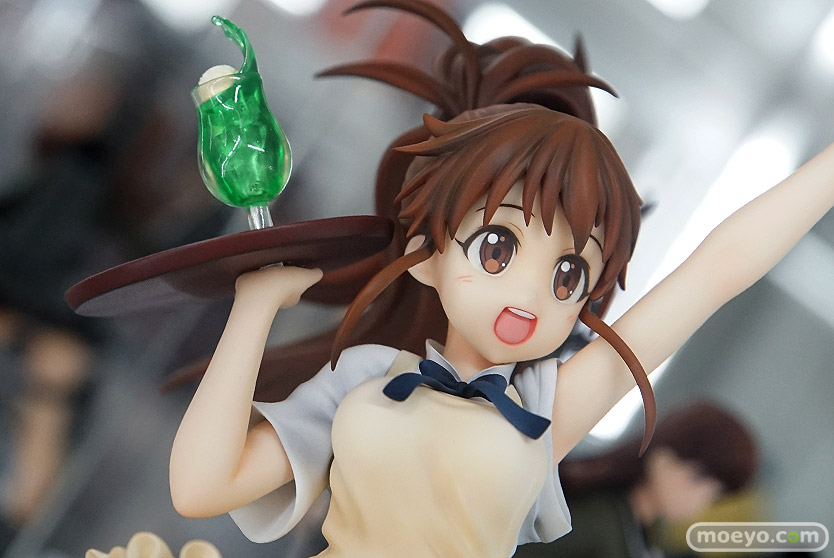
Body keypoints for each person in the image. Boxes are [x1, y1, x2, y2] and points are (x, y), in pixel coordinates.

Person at [168, 1, 834, 556]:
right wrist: (255, 307)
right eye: (497, 248)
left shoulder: (545, 410)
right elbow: (201, 487)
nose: (530, 295)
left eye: (569, 274)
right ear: (426, 254)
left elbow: (716, 270)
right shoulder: (362, 377)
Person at [512, 401, 758, 558]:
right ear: (663, 458)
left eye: (716, 493)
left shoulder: (648, 536)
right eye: (699, 478)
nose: (703, 498)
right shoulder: (595, 519)